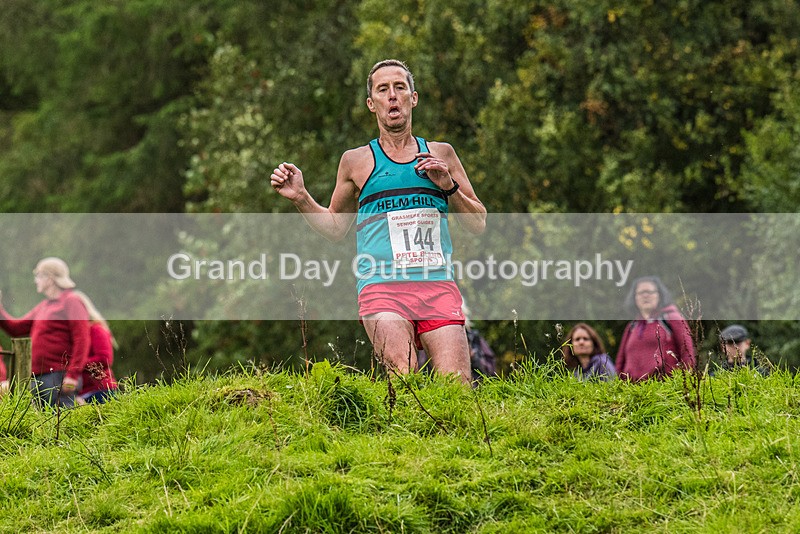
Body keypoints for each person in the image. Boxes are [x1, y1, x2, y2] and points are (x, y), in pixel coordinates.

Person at [270, 59, 486, 383]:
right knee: (405, 380)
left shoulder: (442, 154)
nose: (392, 96)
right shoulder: (355, 161)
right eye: (383, 90)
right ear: (372, 104)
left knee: (457, 390)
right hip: (382, 287)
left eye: (400, 88)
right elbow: (335, 227)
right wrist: (302, 197)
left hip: (437, 284)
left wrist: (448, 186)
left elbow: (478, 222)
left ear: (414, 98)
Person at [0, 257, 90, 408]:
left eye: (38, 276)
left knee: (63, 423)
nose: (36, 281)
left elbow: (82, 340)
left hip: (59, 375)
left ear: (50, 278)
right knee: (44, 424)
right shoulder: (44, 306)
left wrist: (73, 375)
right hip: (38, 376)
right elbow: (16, 329)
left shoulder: (71, 301)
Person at [615, 275, 696, 382]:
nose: (645, 296)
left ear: (660, 295)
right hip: (633, 392)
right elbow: (620, 361)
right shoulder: (632, 326)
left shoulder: (672, 319)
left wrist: (685, 384)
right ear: (634, 298)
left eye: (650, 292)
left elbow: (687, 354)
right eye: (640, 293)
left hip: (665, 390)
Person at [74, 291, 119, 403]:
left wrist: (77, 364)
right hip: (81, 393)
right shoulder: (75, 334)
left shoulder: (96, 329)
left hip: (100, 391)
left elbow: (104, 359)